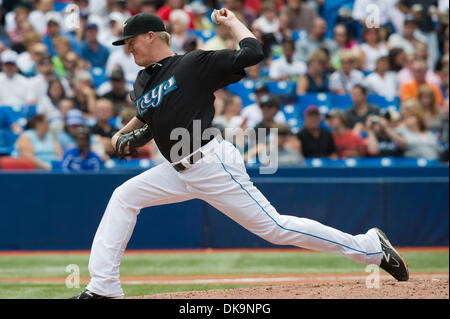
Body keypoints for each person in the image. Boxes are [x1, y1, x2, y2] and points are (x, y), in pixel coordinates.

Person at [71, 10, 408, 299]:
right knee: (123, 197)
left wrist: (233, 23)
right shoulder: (143, 81)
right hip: (175, 170)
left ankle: (368, 247)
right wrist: (120, 133)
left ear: (150, 36)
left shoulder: (194, 62)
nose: (127, 48)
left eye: (130, 41)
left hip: (211, 163)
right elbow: (145, 115)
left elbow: (253, 52)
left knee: (275, 228)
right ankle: (104, 286)